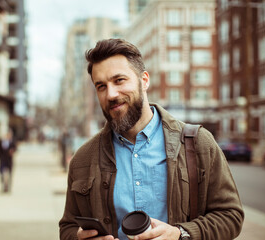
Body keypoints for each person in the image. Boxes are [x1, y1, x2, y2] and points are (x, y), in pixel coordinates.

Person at [59, 39, 244, 240]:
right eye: (101, 86)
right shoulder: (83, 159)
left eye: (119, 80)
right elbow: (68, 227)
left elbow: (230, 216)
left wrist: (181, 234)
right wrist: (79, 238)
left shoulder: (198, 143)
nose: (111, 94)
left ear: (144, 80)